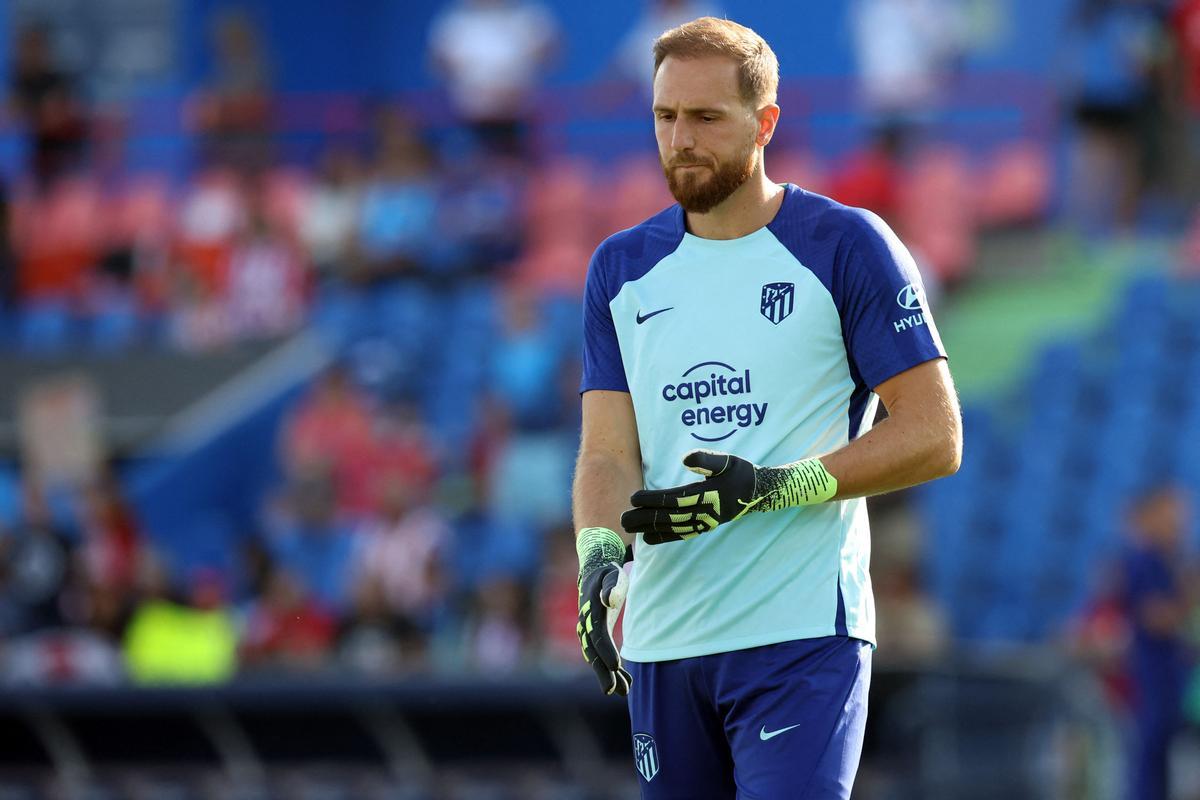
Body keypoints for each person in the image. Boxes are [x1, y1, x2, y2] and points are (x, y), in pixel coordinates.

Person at [572, 18, 962, 799]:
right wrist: (597, 557)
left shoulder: (846, 244)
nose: (680, 139)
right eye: (664, 117)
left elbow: (935, 436)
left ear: (766, 123)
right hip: (663, 638)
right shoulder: (619, 269)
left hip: (802, 638)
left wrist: (774, 487)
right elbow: (608, 454)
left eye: (706, 117)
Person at [1117, 485, 1195, 800]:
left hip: (1174, 677)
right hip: (1153, 677)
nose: (1177, 523)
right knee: (1150, 760)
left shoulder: (1170, 562)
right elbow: (1156, 618)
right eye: (1169, 514)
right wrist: (1189, 598)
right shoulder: (1142, 561)